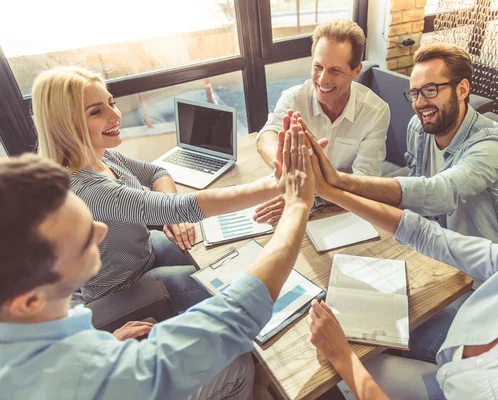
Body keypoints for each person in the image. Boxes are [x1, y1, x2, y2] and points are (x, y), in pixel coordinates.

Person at [0, 124, 315, 399]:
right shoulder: (98, 373)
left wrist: (105, 338)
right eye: (80, 239)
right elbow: (234, 316)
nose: (100, 230)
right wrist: (298, 205)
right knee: (239, 365)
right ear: (28, 301)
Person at [305, 147, 498, 398]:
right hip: (447, 374)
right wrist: (331, 191)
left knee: (333, 374)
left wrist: (342, 357)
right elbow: (428, 235)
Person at [32, 66, 284, 312]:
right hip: (123, 288)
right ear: (66, 124)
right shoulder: (87, 189)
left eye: (111, 102)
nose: (115, 115)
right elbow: (182, 207)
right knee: (233, 286)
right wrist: (272, 184)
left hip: (145, 251)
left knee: (227, 253)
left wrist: (170, 216)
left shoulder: (104, 157)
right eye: (97, 112)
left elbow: (157, 173)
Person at [305, 42, 498, 244]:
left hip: (479, 270)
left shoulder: (492, 142)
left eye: (430, 90)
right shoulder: (418, 127)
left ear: (462, 90)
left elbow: (441, 193)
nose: (420, 102)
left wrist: (340, 181)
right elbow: (416, 195)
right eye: (414, 93)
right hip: (429, 246)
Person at [253, 18, 390, 225]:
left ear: (356, 71)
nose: (323, 79)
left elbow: (365, 183)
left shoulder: (376, 112)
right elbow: (266, 136)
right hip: (296, 196)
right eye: (318, 66)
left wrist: (308, 199)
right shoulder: (293, 98)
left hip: (342, 210)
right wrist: (285, 171)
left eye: (335, 71)